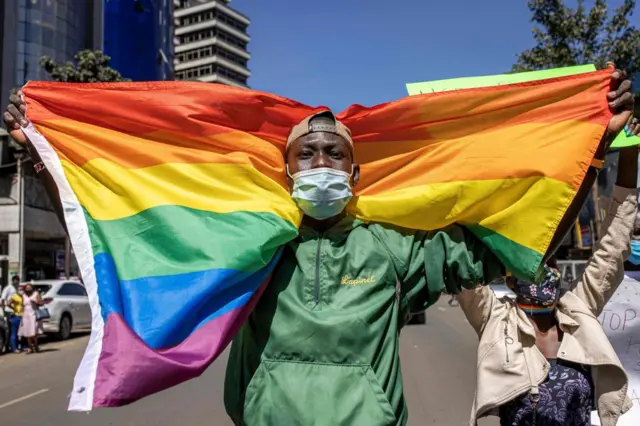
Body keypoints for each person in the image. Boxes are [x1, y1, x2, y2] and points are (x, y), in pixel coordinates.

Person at [3, 69, 634, 425]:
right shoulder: (250, 245)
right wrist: (47, 164)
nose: (323, 162)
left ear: (356, 175)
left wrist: (587, 154)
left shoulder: (393, 248)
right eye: (309, 153)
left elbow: (513, 238)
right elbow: (125, 224)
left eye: (336, 154)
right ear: (288, 171)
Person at [458, 117, 639, 426]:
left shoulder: (578, 313)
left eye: (551, 262)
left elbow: (613, 246)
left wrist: (628, 153)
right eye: (534, 262)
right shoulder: (496, 319)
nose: (545, 269)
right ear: (512, 271)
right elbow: (460, 264)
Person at [18, 283, 42, 354]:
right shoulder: (23, 295)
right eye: (27, 288)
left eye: (29, 288)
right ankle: (30, 347)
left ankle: (36, 345)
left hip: (33, 313)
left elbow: (40, 302)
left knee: (34, 331)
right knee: (27, 331)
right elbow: (22, 304)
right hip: (26, 314)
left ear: (32, 288)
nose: (28, 289)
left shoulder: (36, 294)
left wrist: (35, 302)